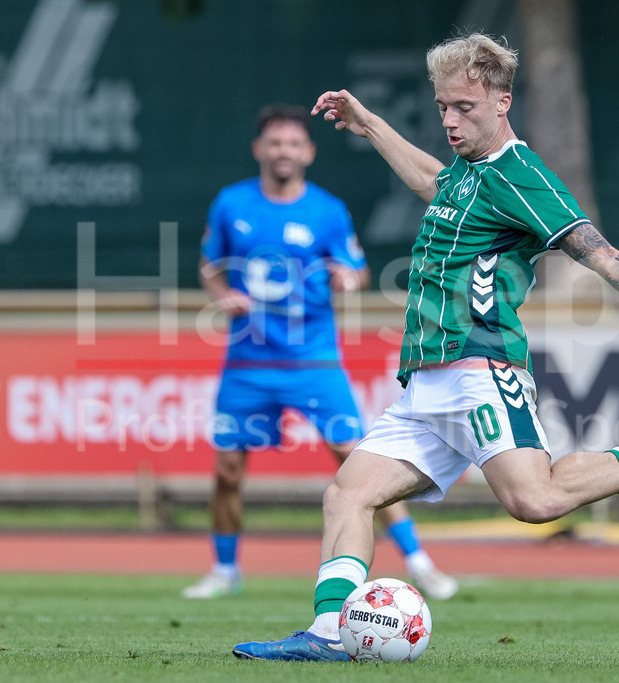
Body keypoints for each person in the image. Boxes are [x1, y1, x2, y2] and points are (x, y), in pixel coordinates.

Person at [232, 34, 619, 662]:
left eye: (463, 106)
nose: (449, 120)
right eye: (442, 107)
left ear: (501, 101)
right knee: (347, 493)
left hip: (479, 366)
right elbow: (435, 182)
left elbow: (596, 251)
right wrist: (372, 125)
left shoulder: (523, 175)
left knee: (535, 499)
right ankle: (328, 634)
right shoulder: (467, 174)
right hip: (425, 383)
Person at [183, 104, 458, 601]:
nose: (283, 151)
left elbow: (355, 270)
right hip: (248, 363)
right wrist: (222, 293)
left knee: (358, 462)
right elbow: (209, 266)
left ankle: (420, 562)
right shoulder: (231, 203)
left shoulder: (327, 210)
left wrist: (348, 280)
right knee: (227, 470)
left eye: (293, 143)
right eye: (275, 142)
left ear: (307, 152)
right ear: (259, 149)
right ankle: (225, 570)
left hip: (313, 361)